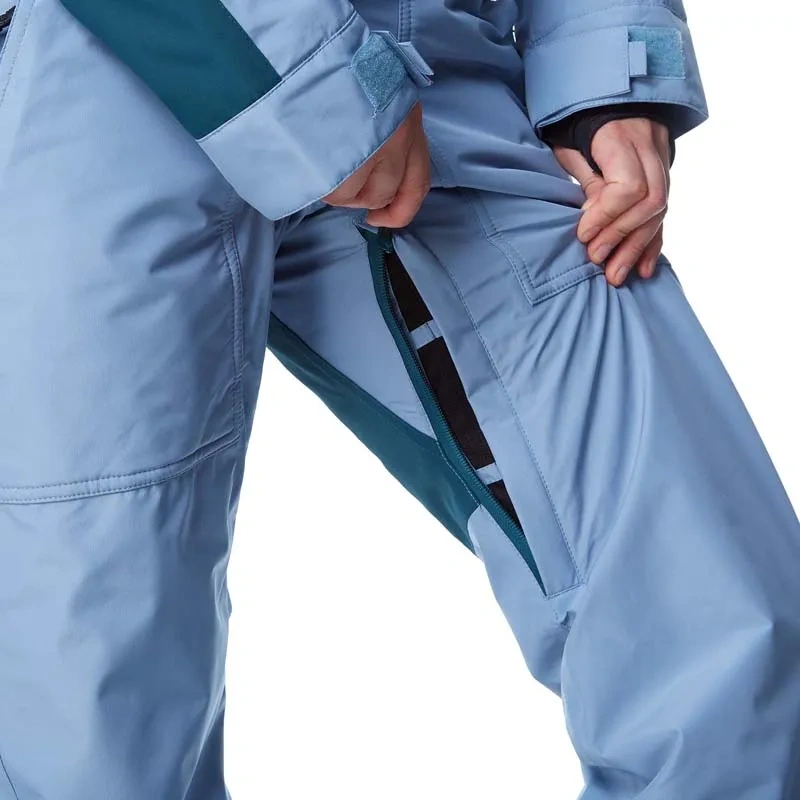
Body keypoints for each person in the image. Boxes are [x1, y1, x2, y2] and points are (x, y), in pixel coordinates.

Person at [0, 1, 797, 797]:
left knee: (718, 630)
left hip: (431, 65)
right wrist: (319, 91)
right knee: (88, 712)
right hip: (85, 74)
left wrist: (605, 66)